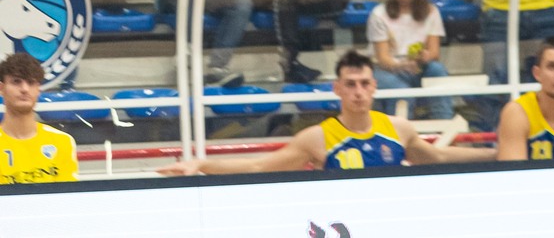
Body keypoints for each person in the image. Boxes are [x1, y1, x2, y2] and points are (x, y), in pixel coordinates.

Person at [168, 50, 491, 173]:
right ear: (337, 89)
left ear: (374, 87)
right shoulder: (317, 138)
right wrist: (203, 165)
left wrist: (495, 154)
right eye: (350, 84)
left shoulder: (398, 129)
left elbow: (439, 157)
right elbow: (259, 166)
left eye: (364, 84)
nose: (358, 92)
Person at [366, 0, 453, 118]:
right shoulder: (378, 14)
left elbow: (434, 53)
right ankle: (401, 133)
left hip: (418, 68)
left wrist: (425, 56)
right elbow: (383, 59)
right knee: (402, 92)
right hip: (387, 70)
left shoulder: (431, 12)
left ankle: (443, 123)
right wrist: (402, 65)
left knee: (438, 70)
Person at [0, 52, 75, 184]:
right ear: (2, 88)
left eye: (31, 82)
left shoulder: (62, 142)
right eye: (16, 81)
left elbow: (67, 195)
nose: (24, 89)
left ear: (38, 89)